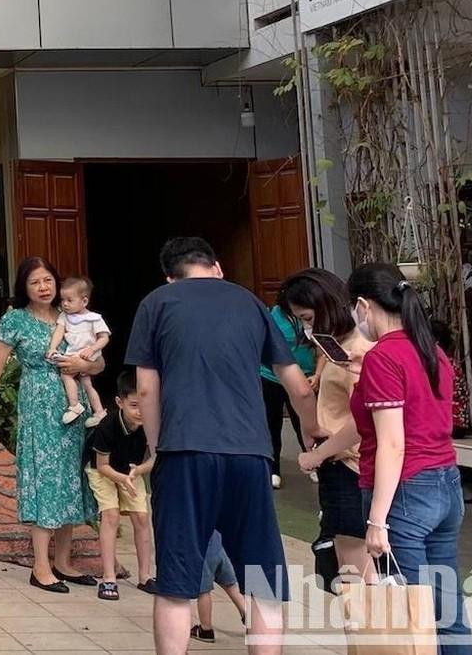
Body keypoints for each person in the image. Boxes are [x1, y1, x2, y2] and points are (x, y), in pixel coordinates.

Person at [126, 237, 319, 655]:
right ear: (216, 267)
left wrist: (158, 447)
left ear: (170, 275)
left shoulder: (157, 303)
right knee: (263, 582)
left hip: (184, 452)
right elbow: (299, 388)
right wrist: (312, 433)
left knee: (177, 582)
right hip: (249, 453)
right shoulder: (249, 303)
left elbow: (146, 388)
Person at [345, 264, 471, 648]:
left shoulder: (384, 357)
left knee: (410, 618)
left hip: (405, 493)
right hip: (445, 484)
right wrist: (320, 454)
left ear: (364, 306)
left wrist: (377, 520)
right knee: (446, 613)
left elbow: (393, 443)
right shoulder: (429, 350)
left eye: (353, 308)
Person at [0, 257, 102, 593]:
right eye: (35, 282)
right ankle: (40, 566)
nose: (43, 288)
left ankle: (64, 562)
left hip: (75, 407)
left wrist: (81, 362)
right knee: (46, 478)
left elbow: (99, 364)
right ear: (23, 287)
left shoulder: (72, 316)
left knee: (71, 477)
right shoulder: (16, 320)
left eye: (47, 281)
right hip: (39, 407)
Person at [284, 268, 375, 587]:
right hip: (340, 464)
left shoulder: (358, 352)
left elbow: (364, 420)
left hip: (350, 466)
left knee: (356, 573)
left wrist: (318, 454)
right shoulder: (337, 348)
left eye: (308, 318)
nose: (308, 327)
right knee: (343, 567)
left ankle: (373, 634)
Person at [86, 369, 155, 599]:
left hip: (131, 471)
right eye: (134, 405)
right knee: (111, 515)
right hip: (103, 471)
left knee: (142, 517)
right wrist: (123, 478)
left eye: (145, 404)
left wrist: (138, 471)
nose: (140, 412)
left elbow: (156, 457)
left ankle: (145, 576)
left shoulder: (152, 423)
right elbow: (102, 465)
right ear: (120, 402)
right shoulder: (108, 425)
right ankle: (108, 578)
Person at [259, 298, 316, 488]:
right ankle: (273, 469)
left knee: (304, 421)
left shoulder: (313, 316)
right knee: (271, 423)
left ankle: (313, 463)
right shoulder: (272, 315)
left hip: (305, 376)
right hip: (271, 377)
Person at [48, 276, 112, 426]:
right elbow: (59, 332)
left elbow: (104, 338)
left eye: (69, 300)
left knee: (66, 375)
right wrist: (53, 347)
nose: (65, 304)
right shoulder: (65, 317)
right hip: (75, 352)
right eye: (62, 300)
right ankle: (99, 412)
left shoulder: (94, 318)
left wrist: (93, 348)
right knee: (87, 384)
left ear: (84, 301)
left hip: (86, 354)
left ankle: (75, 406)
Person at [190, 533, 247, 644]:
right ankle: (248, 615)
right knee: (230, 584)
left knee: (203, 591)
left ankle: (206, 629)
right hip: (219, 547)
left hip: (203, 549)